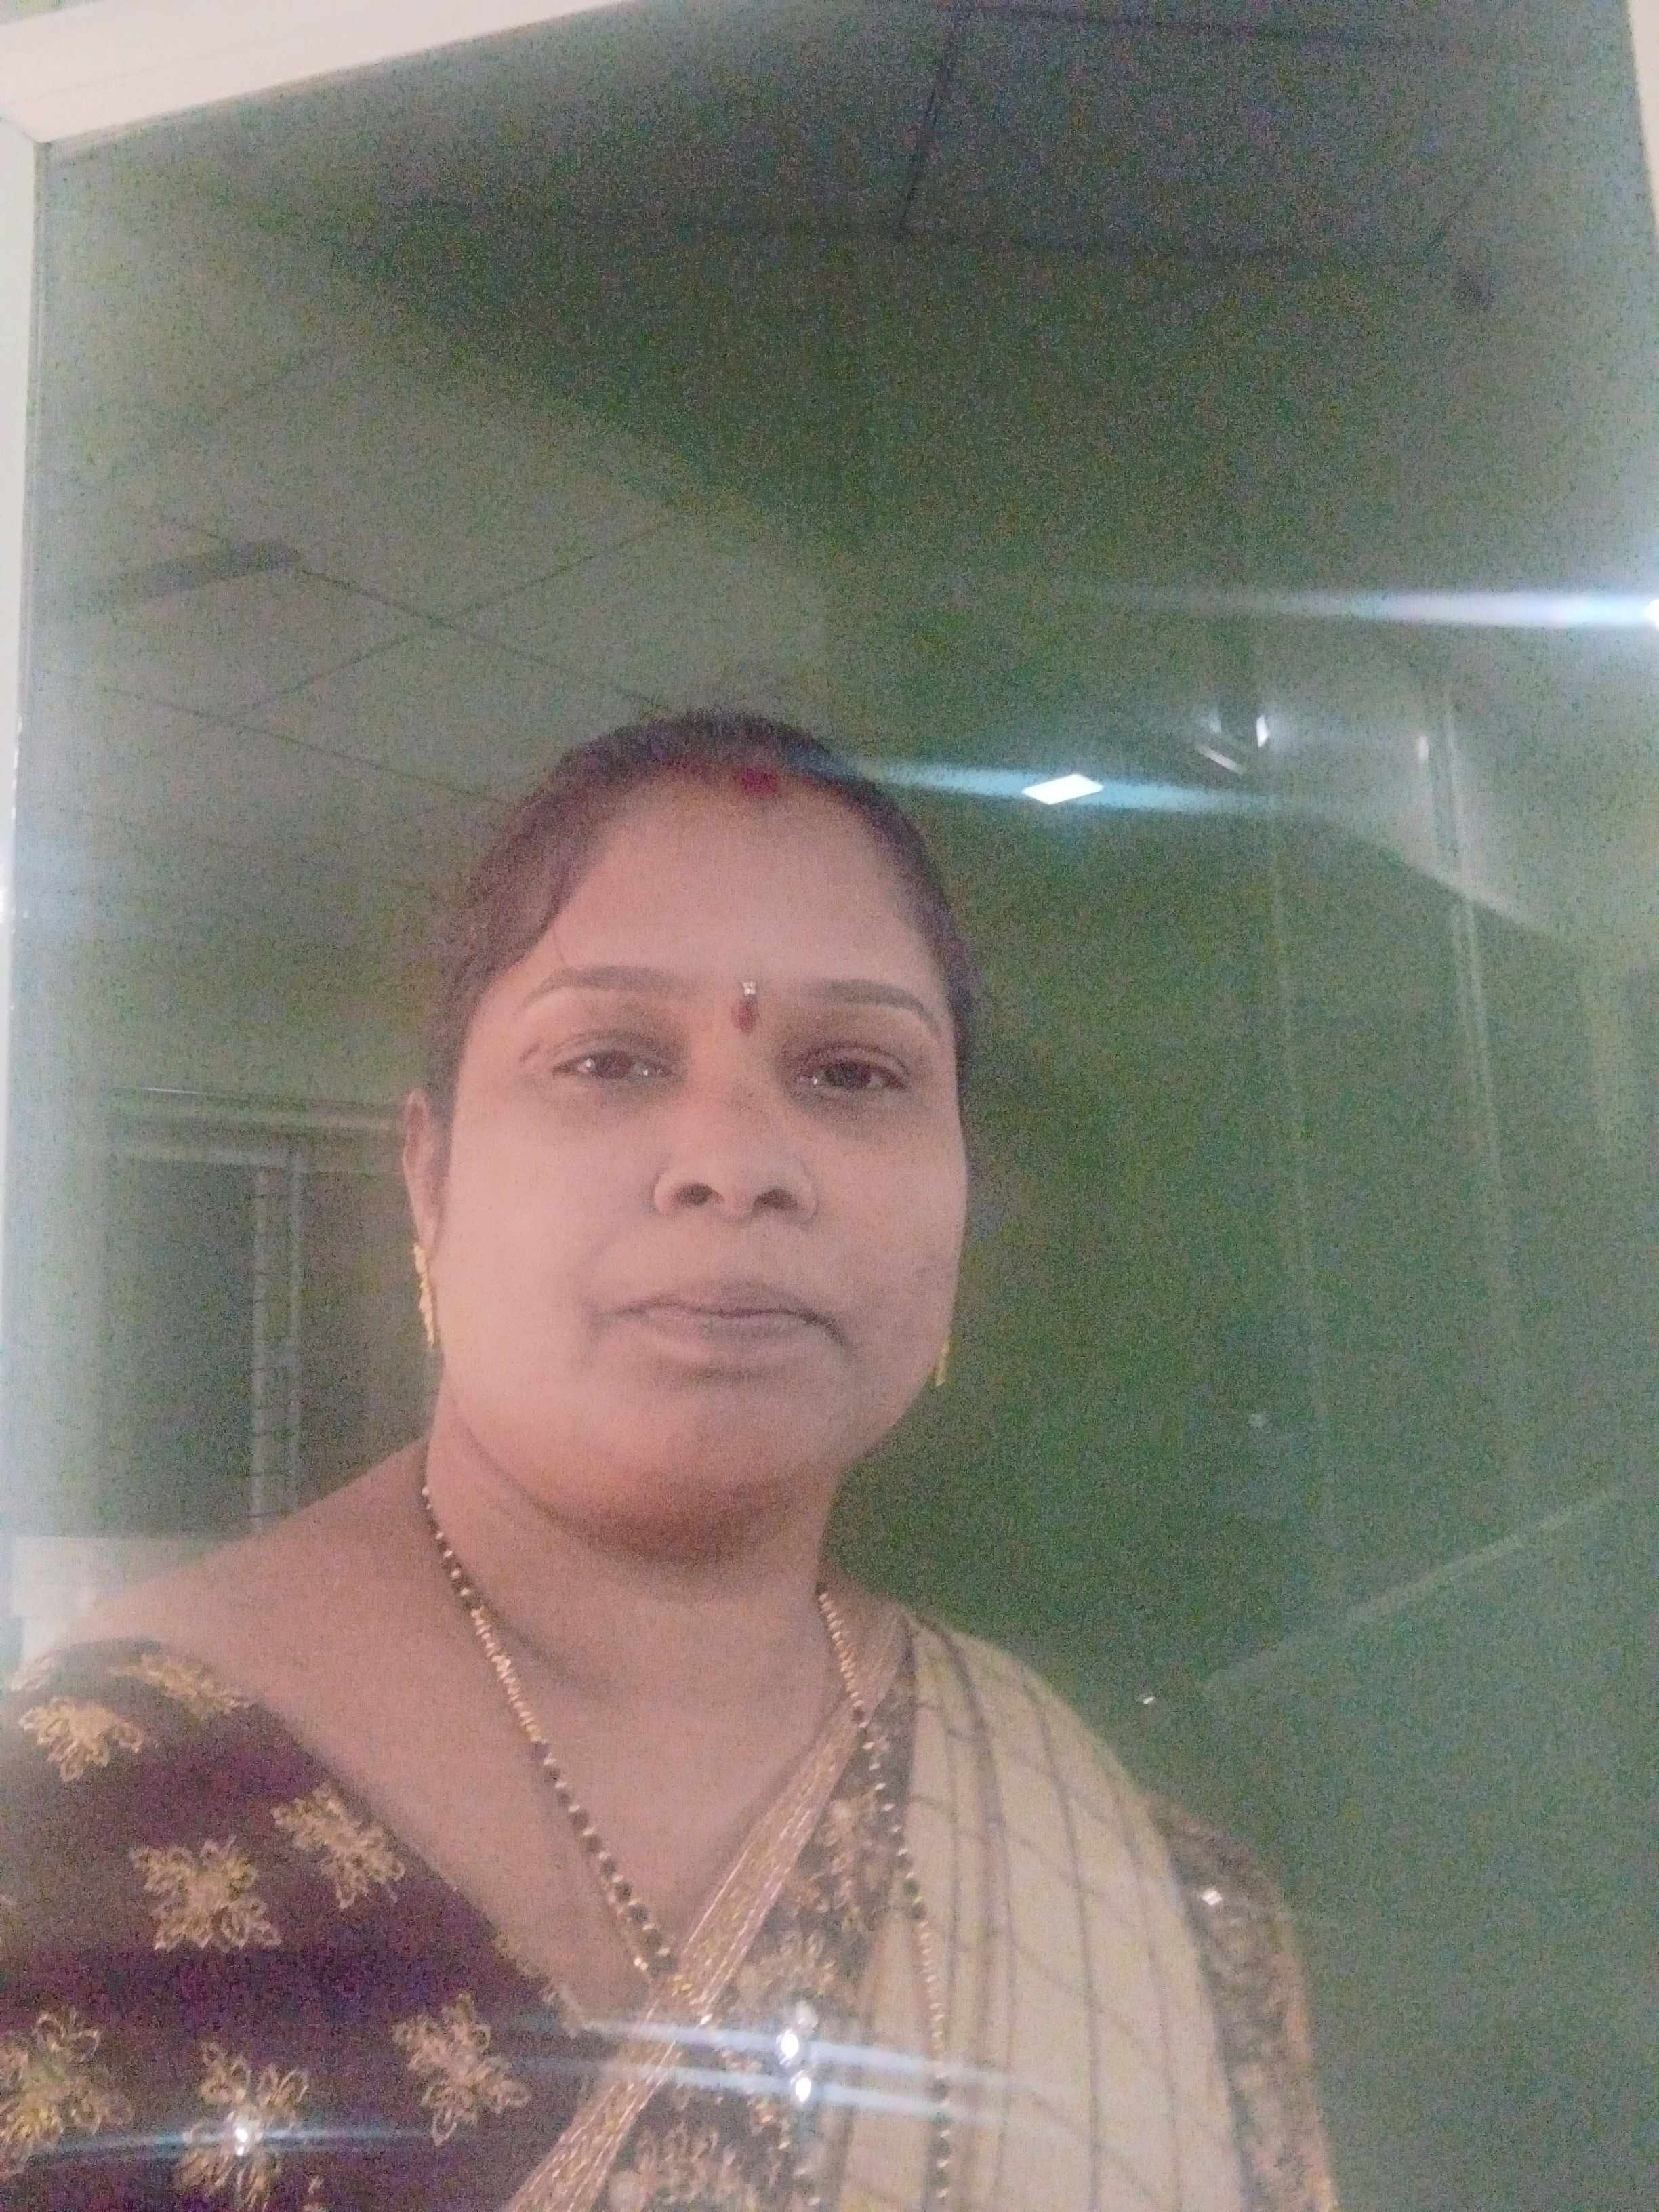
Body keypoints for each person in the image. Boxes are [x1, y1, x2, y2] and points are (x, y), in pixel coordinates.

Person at [0, 714, 1334, 2210]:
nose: (736, 1163)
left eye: (853, 1073)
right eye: (611, 1058)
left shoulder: (1150, 1893)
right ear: (430, 1181)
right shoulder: (79, 1840)